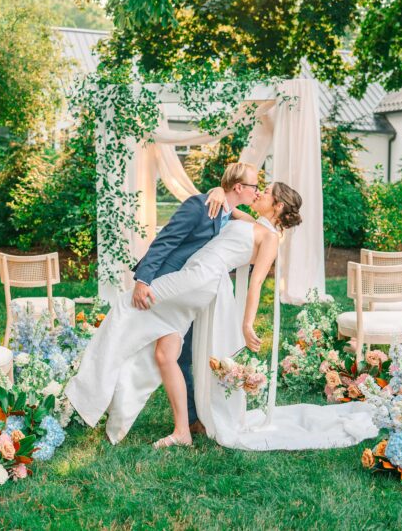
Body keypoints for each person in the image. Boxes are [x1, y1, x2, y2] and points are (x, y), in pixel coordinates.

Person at [65, 177, 377, 451]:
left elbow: (256, 284)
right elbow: (227, 203)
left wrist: (246, 323)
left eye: (266, 192)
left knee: (125, 305)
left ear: (278, 206)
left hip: (198, 280)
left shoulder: (269, 238)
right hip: (195, 282)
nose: (260, 195)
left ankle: (85, 391)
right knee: (165, 354)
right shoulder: (250, 221)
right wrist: (216, 190)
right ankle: (181, 431)